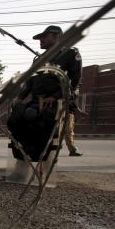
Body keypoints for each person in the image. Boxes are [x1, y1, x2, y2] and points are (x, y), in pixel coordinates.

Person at [31, 25, 83, 156]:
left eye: (44, 37)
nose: (40, 40)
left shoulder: (70, 54)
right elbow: (31, 81)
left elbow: (73, 81)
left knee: (63, 129)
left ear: (56, 36)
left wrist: (56, 96)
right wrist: (21, 97)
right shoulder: (39, 59)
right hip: (38, 102)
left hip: (59, 103)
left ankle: (66, 150)